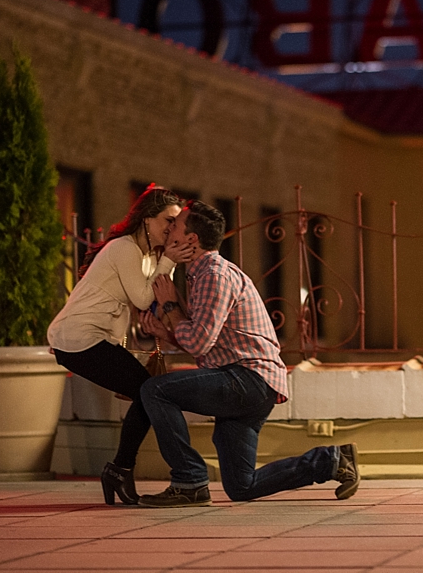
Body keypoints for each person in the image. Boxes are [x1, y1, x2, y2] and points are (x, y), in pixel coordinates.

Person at [136, 200, 359, 507]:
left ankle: (188, 479)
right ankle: (332, 461)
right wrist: (166, 331)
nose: (170, 226)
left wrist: (171, 305)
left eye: (176, 224)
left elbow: (199, 343)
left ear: (192, 240)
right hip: (248, 381)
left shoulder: (214, 274)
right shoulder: (202, 275)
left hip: (247, 378)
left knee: (155, 391)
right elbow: (205, 336)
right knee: (242, 486)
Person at [47, 186, 194, 506]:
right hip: (79, 337)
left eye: (177, 223)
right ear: (146, 219)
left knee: (148, 393)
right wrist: (169, 259)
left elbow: (139, 301)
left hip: (88, 338)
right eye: (168, 221)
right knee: (149, 391)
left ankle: (120, 469)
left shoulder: (141, 256)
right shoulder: (124, 248)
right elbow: (143, 297)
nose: (172, 229)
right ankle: (121, 469)